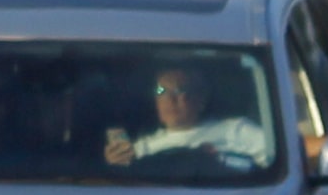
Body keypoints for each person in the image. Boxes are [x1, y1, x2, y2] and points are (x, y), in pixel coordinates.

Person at [104, 62, 272, 171]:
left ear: (201, 100)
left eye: (178, 90)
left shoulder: (236, 130)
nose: (169, 99)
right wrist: (115, 162)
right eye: (161, 91)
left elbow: (278, 169)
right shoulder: (143, 148)